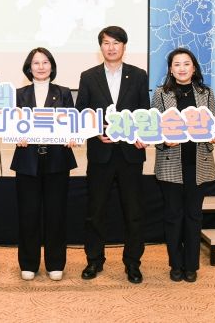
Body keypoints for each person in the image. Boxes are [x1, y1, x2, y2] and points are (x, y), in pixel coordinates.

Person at [75, 25, 149, 283]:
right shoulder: (88, 76)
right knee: (95, 211)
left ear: (124, 46)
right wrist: (95, 132)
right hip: (101, 153)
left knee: (134, 212)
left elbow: (144, 111)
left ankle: (133, 263)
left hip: (130, 154)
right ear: (101, 47)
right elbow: (81, 112)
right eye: (106, 43)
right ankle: (94, 261)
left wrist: (143, 134)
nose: (111, 47)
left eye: (116, 42)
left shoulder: (138, 75)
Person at [151, 47, 215, 283]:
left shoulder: (206, 93)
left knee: (193, 216)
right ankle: (175, 264)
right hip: (171, 163)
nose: (181, 68)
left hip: (198, 163)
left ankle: (191, 265)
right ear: (170, 70)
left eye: (186, 64)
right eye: (176, 64)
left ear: (194, 68)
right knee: (173, 217)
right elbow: (154, 127)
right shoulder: (161, 93)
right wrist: (163, 140)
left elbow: (214, 123)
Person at [12, 47, 77, 282]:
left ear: (52, 66)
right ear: (29, 68)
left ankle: (55, 263)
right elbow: (11, 122)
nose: (41, 67)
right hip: (27, 160)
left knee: (56, 214)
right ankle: (28, 263)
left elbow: (73, 122)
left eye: (45, 62)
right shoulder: (19, 94)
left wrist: (73, 135)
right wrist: (14, 134)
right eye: (36, 63)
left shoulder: (64, 93)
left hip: (57, 160)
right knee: (28, 214)